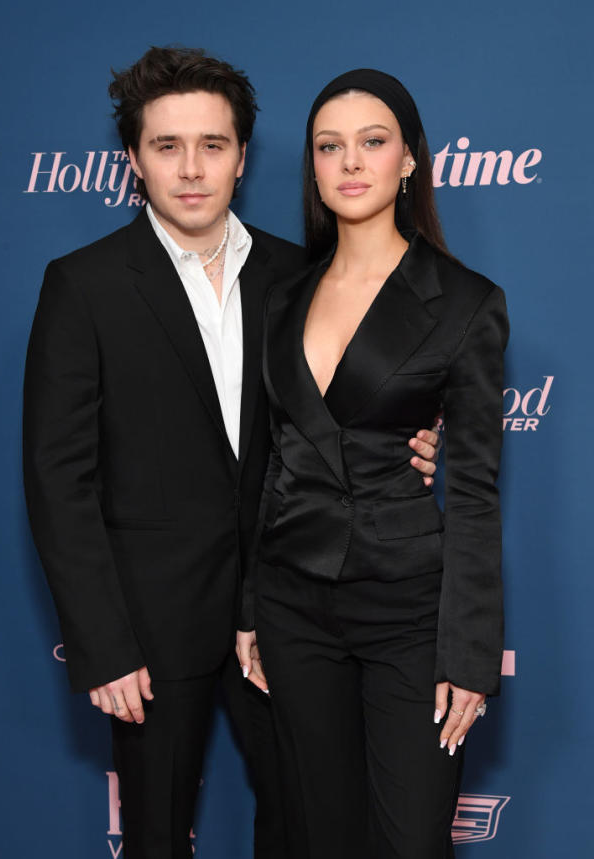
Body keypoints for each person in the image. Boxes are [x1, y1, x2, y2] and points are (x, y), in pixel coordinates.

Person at [23, 50, 440, 859]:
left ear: (242, 157)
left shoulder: (299, 275)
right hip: (148, 624)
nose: (190, 169)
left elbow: (348, 417)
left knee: (307, 824)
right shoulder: (85, 284)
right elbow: (56, 476)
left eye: (212, 145)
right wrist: (102, 642)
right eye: (167, 146)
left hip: (291, 608)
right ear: (134, 159)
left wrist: (413, 441)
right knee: (153, 833)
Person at [237, 68, 509, 859]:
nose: (350, 162)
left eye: (372, 142)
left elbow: (478, 492)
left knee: (410, 842)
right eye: (330, 146)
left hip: (407, 614)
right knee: (320, 837)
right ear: (314, 168)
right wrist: (252, 603)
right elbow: (272, 459)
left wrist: (469, 655)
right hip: (293, 606)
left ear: (410, 160)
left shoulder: (464, 302)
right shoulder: (282, 297)